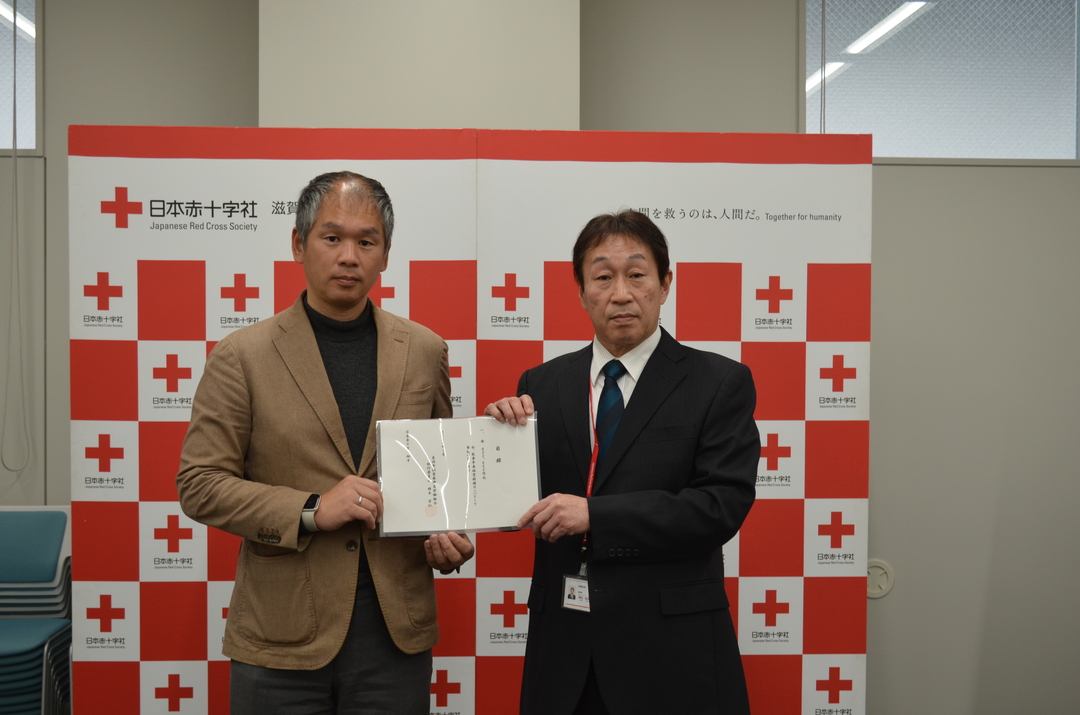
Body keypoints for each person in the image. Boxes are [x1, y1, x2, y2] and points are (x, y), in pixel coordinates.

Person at [177, 171, 474, 715]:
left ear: (386, 255)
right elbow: (199, 484)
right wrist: (312, 509)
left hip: (394, 632)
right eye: (331, 238)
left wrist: (448, 534)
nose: (349, 257)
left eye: (367, 242)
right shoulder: (242, 356)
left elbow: (440, 481)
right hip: (281, 632)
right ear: (299, 244)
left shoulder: (425, 351)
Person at [486, 210, 759, 715]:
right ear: (581, 290)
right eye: (603, 277)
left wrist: (596, 515)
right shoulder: (540, 384)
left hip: (672, 654)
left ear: (665, 284)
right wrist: (496, 442)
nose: (621, 294)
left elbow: (720, 506)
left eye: (636, 275)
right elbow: (516, 502)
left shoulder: (718, 382)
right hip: (565, 654)